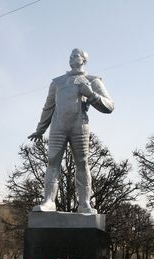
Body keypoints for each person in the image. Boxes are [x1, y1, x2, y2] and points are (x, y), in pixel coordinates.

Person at [28, 49, 114, 214]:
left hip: (79, 125)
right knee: (52, 162)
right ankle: (49, 201)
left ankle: (84, 204)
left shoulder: (92, 80)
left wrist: (91, 94)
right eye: (70, 56)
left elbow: (109, 106)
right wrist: (40, 129)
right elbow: (48, 107)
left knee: (82, 163)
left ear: (84, 60)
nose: (72, 58)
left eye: (76, 55)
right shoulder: (57, 82)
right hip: (58, 126)